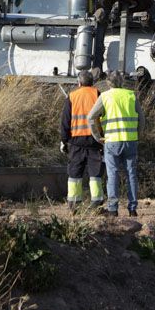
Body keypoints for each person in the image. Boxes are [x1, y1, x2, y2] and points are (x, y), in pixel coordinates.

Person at [88, 70, 146, 217]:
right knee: (131, 174)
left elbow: (90, 117)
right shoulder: (131, 95)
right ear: (122, 82)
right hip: (130, 140)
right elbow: (142, 119)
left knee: (112, 174)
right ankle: (132, 209)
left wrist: (97, 137)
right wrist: (137, 135)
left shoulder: (105, 96)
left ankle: (113, 209)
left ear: (108, 83)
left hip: (112, 141)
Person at [60, 70, 104, 212]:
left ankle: (73, 203)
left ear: (79, 82)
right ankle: (96, 201)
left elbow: (65, 121)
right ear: (93, 82)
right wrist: (103, 138)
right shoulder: (98, 94)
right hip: (94, 140)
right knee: (95, 172)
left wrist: (63, 140)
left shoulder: (72, 96)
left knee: (74, 172)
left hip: (76, 140)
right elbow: (103, 118)